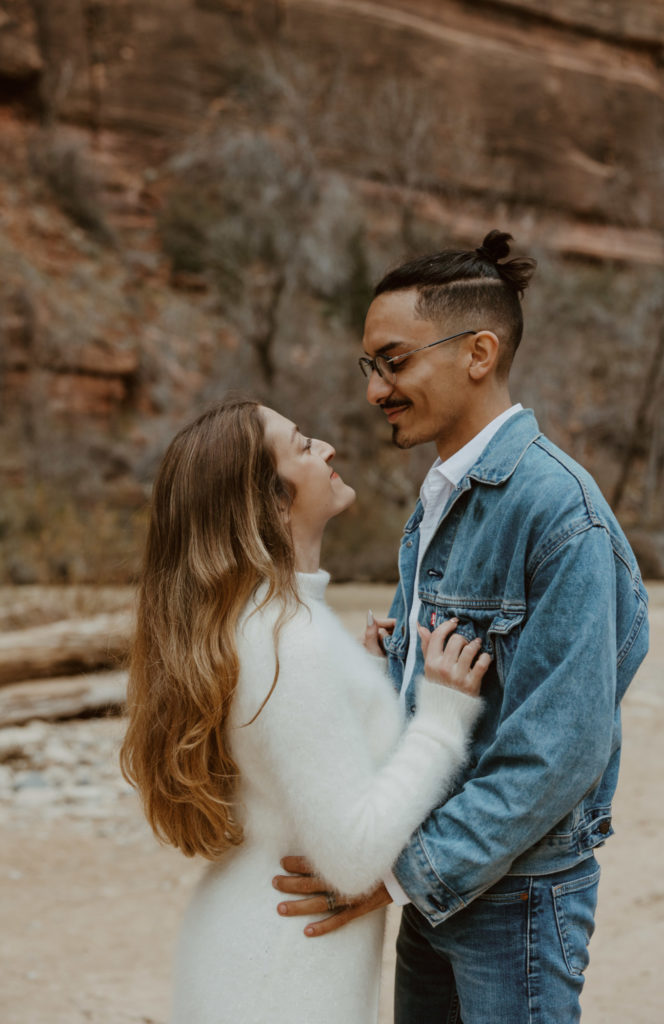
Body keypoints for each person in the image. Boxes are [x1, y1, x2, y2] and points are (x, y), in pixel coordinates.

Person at [272, 230, 650, 1023]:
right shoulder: (443, 498)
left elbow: (561, 746)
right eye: (370, 366)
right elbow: (462, 698)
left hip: (511, 898)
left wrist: (400, 875)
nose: (376, 388)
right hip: (436, 886)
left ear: (478, 352)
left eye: (394, 360)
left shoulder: (559, 514)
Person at [119, 396, 491, 1024]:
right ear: (269, 500)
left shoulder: (265, 624)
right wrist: (442, 717)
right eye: (302, 445)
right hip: (281, 976)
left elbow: (293, 768)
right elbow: (350, 859)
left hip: (255, 949)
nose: (327, 450)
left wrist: (365, 679)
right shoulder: (290, 640)